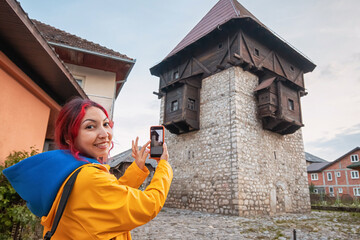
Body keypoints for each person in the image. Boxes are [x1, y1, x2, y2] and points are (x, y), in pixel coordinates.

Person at [3, 98, 173, 240]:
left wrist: (137, 169)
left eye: (106, 124)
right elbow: (148, 205)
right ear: (69, 137)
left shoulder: (70, 169)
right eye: (90, 126)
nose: (104, 133)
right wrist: (163, 165)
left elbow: (110, 196)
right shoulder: (89, 177)